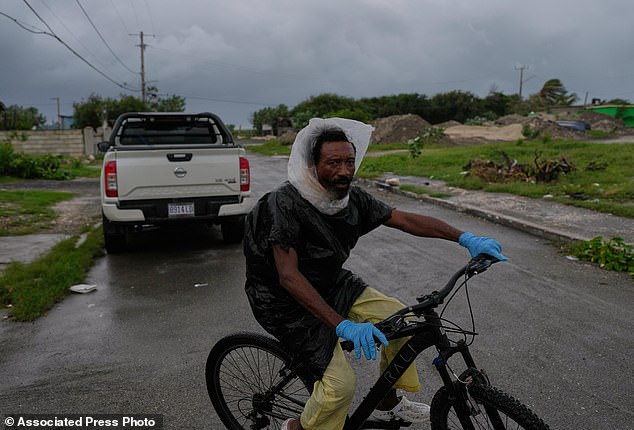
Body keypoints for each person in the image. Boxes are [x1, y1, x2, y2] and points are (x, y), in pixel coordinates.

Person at [243, 118, 507, 430]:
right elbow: (288, 276)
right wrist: (343, 326)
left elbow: (405, 220)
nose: (344, 171)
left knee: (403, 320)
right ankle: (295, 428)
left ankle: (389, 401)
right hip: (283, 303)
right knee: (340, 387)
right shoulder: (282, 204)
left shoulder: (350, 199)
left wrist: (466, 239)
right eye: (333, 163)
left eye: (349, 161)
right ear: (312, 165)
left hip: (331, 284)